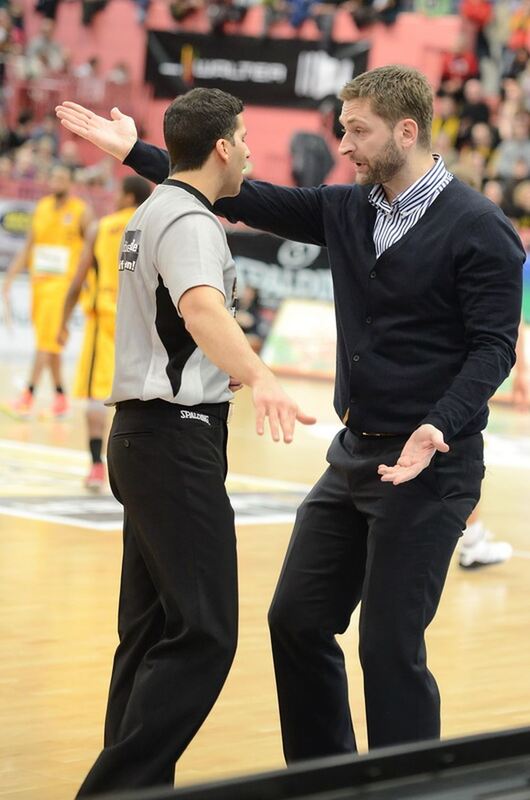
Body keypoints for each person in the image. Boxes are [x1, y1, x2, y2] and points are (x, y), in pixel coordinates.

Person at [56, 64, 524, 762]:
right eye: (342, 128)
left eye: (357, 130)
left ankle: (410, 784)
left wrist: (441, 423)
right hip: (353, 456)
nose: (344, 143)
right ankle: (325, 774)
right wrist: (141, 155)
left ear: (407, 129)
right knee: (296, 621)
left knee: (390, 647)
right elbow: (248, 199)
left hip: (431, 465)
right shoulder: (349, 208)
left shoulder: (481, 228)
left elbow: (494, 349)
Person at [58, 87, 315, 796]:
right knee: (205, 632)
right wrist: (260, 374)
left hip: (143, 439)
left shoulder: (152, 210)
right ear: (225, 147)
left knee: (147, 635)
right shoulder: (193, 220)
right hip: (173, 441)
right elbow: (200, 307)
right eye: (247, 140)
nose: (254, 154)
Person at [58, 175, 153, 490]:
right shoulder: (153, 227)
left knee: (95, 397)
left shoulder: (102, 227)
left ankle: (97, 466)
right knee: (138, 397)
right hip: (142, 324)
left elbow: (78, 278)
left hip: (105, 322)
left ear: (128, 197)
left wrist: (62, 321)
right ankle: (136, 467)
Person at [2, 164, 93, 418]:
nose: (56, 180)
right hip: (39, 286)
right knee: (50, 343)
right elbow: (29, 246)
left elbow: (91, 248)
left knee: (45, 341)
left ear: (71, 182)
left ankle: (28, 396)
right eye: (53, 176)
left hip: (63, 289)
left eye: (62, 177)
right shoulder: (41, 208)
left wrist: (87, 281)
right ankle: (61, 397)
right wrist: (9, 278)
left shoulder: (81, 212)